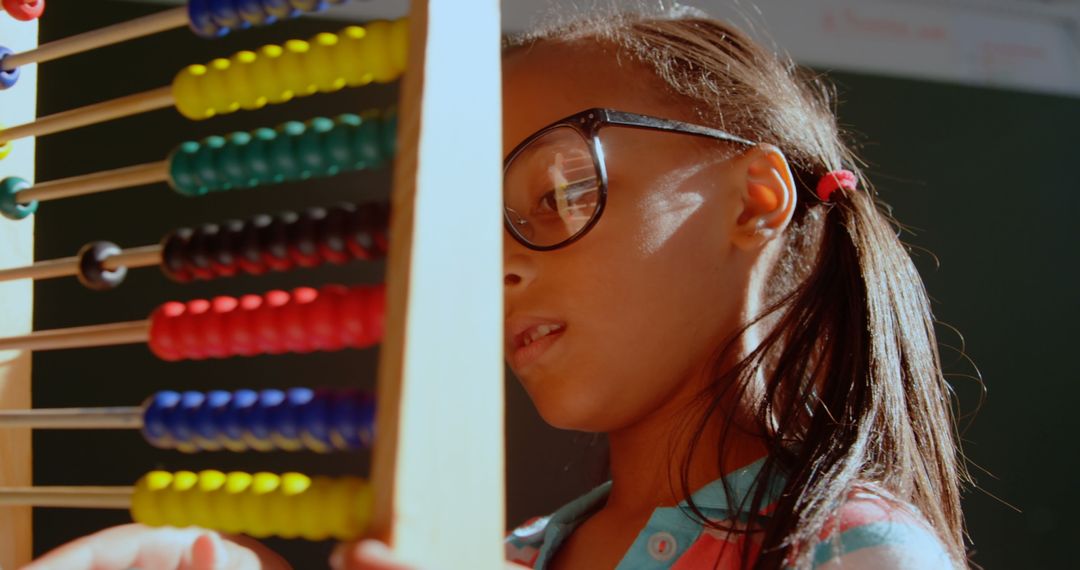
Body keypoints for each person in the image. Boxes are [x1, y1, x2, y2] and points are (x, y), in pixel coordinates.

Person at [24, 3, 975, 570]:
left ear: (753, 201)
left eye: (559, 192)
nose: (498, 264)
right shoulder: (510, 558)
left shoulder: (846, 548)